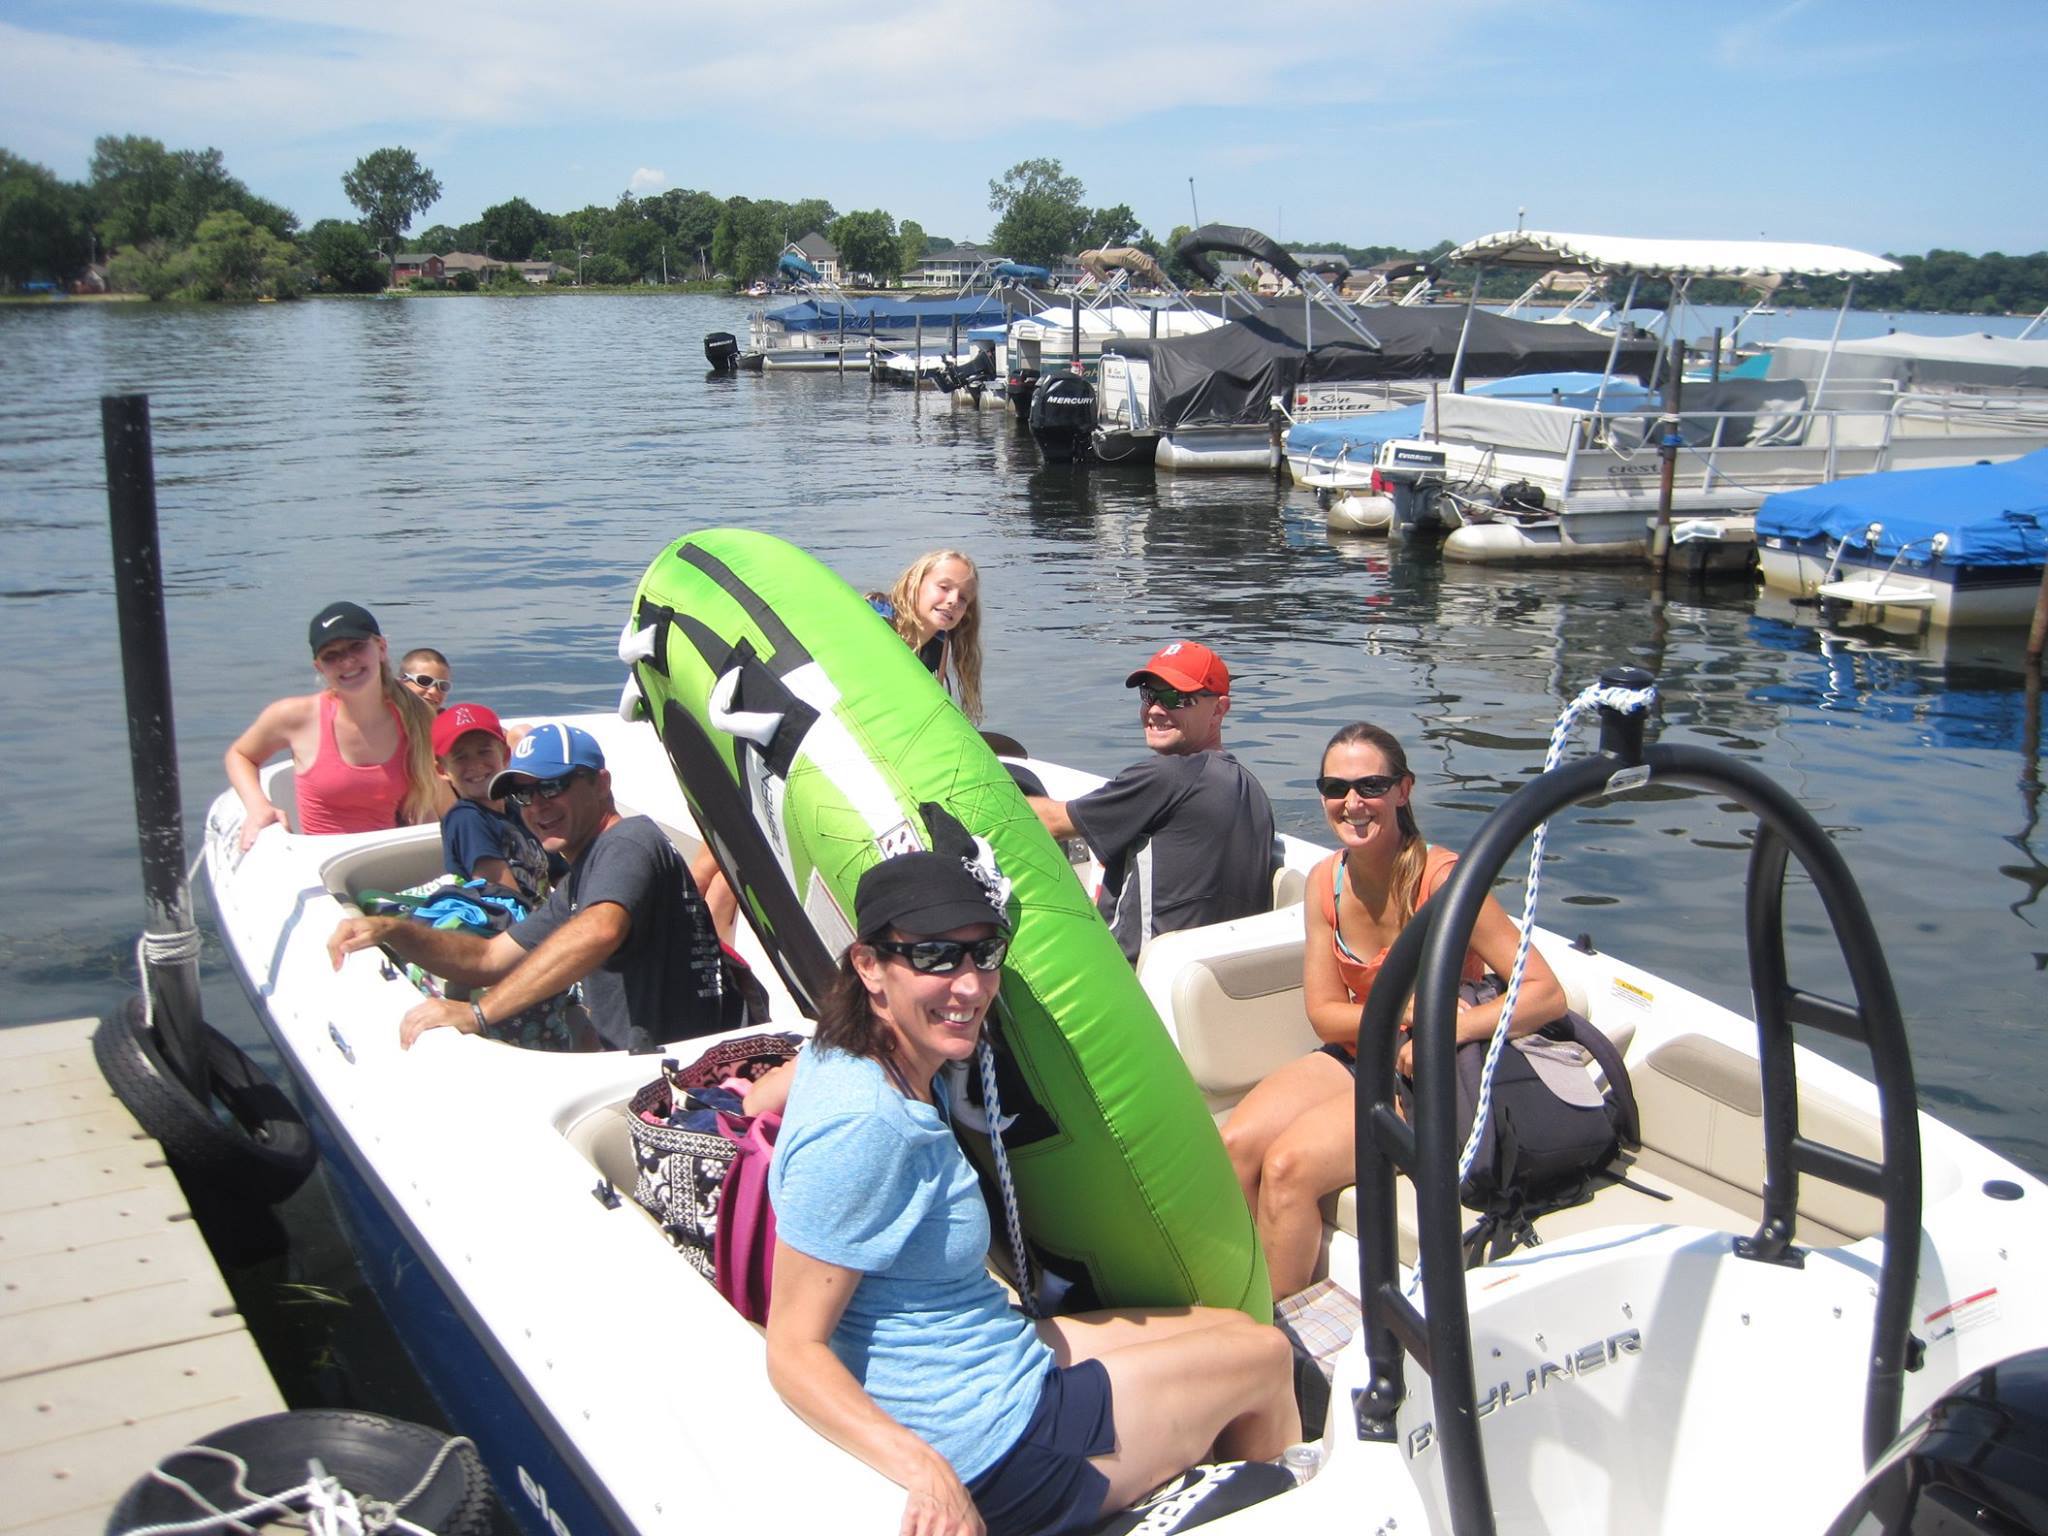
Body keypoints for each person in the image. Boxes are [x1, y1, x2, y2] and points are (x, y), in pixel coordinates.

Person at [767, 849, 1298, 1536]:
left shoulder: (839, 1049)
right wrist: (928, 1471)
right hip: (995, 1448)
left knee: (1233, 1327)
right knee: (1267, 1361)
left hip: (989, 1356)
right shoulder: (868, 1125)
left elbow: (764, 1096)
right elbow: (791, 1350)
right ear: (869, 966)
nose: (967, 985)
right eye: (932, 957)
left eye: (983, 953)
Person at [1219, 722, 1566, 1299]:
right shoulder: (1324, 882)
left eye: (1370, 785)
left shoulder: (1446, 881)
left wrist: (1443, 1027)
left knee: (1287, 1167)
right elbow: (1326, 1015)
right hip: (1359, 1054)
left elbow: (1545, 992)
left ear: (1403, 790)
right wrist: (1408, 1013)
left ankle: (1271, 1336)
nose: (1351, 803)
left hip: (1427, 1078)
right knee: (1234, 1146)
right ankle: (1236, 1300)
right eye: (1335, 788)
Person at [326, 722, 729, 1053]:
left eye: (552, 786)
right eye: (523, 793)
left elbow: (600, 930)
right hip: (642, 1061)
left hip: (686, 1067)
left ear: (601, 783)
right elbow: (488, 958)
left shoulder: (628, 842)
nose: (537, 806)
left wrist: (479, 1013)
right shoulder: (579, 882)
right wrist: (393, 932)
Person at [1027, 640, 1276, 963]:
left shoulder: (1167, 776)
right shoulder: (1252, 790)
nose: (1157, 709)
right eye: (1150, 695)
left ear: (1219, 709)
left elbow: (1050, 823)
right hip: (1210, 974)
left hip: (1133, 977)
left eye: (1177, 698)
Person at [225, 601, 443, 852]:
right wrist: (258, 808)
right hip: (319, 866)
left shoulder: (416, 717)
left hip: (390, 860)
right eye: (331, 656)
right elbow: (240, 755)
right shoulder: (294, 717)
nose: (347, 662)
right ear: (319, 667)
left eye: (356, 647)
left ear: (381, 647)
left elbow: (426, 804)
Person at [432, 701, 553, 905]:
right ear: (443, 770)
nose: (475, 764)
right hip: (518, 928)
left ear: (505, 755)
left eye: (484, 751)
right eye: (460, 757)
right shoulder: (467, 819)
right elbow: (504, 898)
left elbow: (560, 872)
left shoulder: (518, 809)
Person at [871, 550, 983, 723]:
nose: (953, 600)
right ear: (913, 582)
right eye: (944, 587)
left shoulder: (940, 640)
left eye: (963, 598)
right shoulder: (875, 619)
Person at [398, 648, 453, 713]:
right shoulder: (385, 719)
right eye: (424, 681)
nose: (434, 691)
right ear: (401, 683)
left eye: (443, 685)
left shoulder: (449, 721)